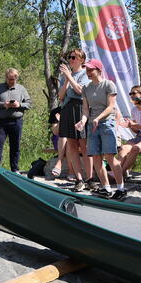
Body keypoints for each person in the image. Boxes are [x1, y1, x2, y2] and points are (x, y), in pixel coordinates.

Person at [74, 59, 126, 200]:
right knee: (96, 157)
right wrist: (82, 121)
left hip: (107, 123)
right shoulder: (86, 88)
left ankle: (121, 188)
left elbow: (111, 107)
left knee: (109, 157)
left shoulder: (108, 85)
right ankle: (106, 188)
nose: (88, 72)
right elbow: (85, 109)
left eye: (91, 69)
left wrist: (99, 118)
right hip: (92, 125)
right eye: (87, 70)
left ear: (99, 70)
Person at [57, 49, 92, 191]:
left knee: (84, 145)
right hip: (67, 109)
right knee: (71, 145)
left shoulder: (85, 73)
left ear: (81, 60)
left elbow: (80, 91)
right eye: (69, 57)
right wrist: (65, 79)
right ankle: (79, 179)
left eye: (73, 58)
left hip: (80, 108)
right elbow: (60, 96)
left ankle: (90, 178)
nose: (71, 60)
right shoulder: (64, 75)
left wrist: (69, 77)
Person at [0, 68, 33, 172]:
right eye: (9, 79)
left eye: (13, 79)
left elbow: (29, 103)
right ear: (6, 77)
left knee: (15, 146)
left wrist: (19, 104)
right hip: (1, 122)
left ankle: (15, 170)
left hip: (16, 121)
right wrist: (3, 104)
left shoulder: (21, 89)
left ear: (16, 78)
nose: (11, 81)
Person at [117, 85, 141, 176]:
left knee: (135, 149)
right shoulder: (134, 110)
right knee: (123, 148)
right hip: (140, 136)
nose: (131, 95)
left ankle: (118, 173)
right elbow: (137, 131)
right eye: (130, 93)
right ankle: (117, 172)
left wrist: (134, 125)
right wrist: (130, 126)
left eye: (134, 93)